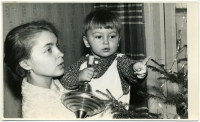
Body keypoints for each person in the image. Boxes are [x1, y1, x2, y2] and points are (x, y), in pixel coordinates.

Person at [60, 9, 150, 119]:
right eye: (99, 37)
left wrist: (136, 69)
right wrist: (79, 76)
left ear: (119, 40)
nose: (106, 42)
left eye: (112, 36)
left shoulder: (120, 61)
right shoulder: (82, 62)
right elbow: (64, 81)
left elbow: (129, 69)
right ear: (87, 41)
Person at [4, 20, 76, 119]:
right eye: (48, 49)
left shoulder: (55, 83)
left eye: (57, 46)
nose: (60, 53)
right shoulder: (38, 113)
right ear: (25, 64)